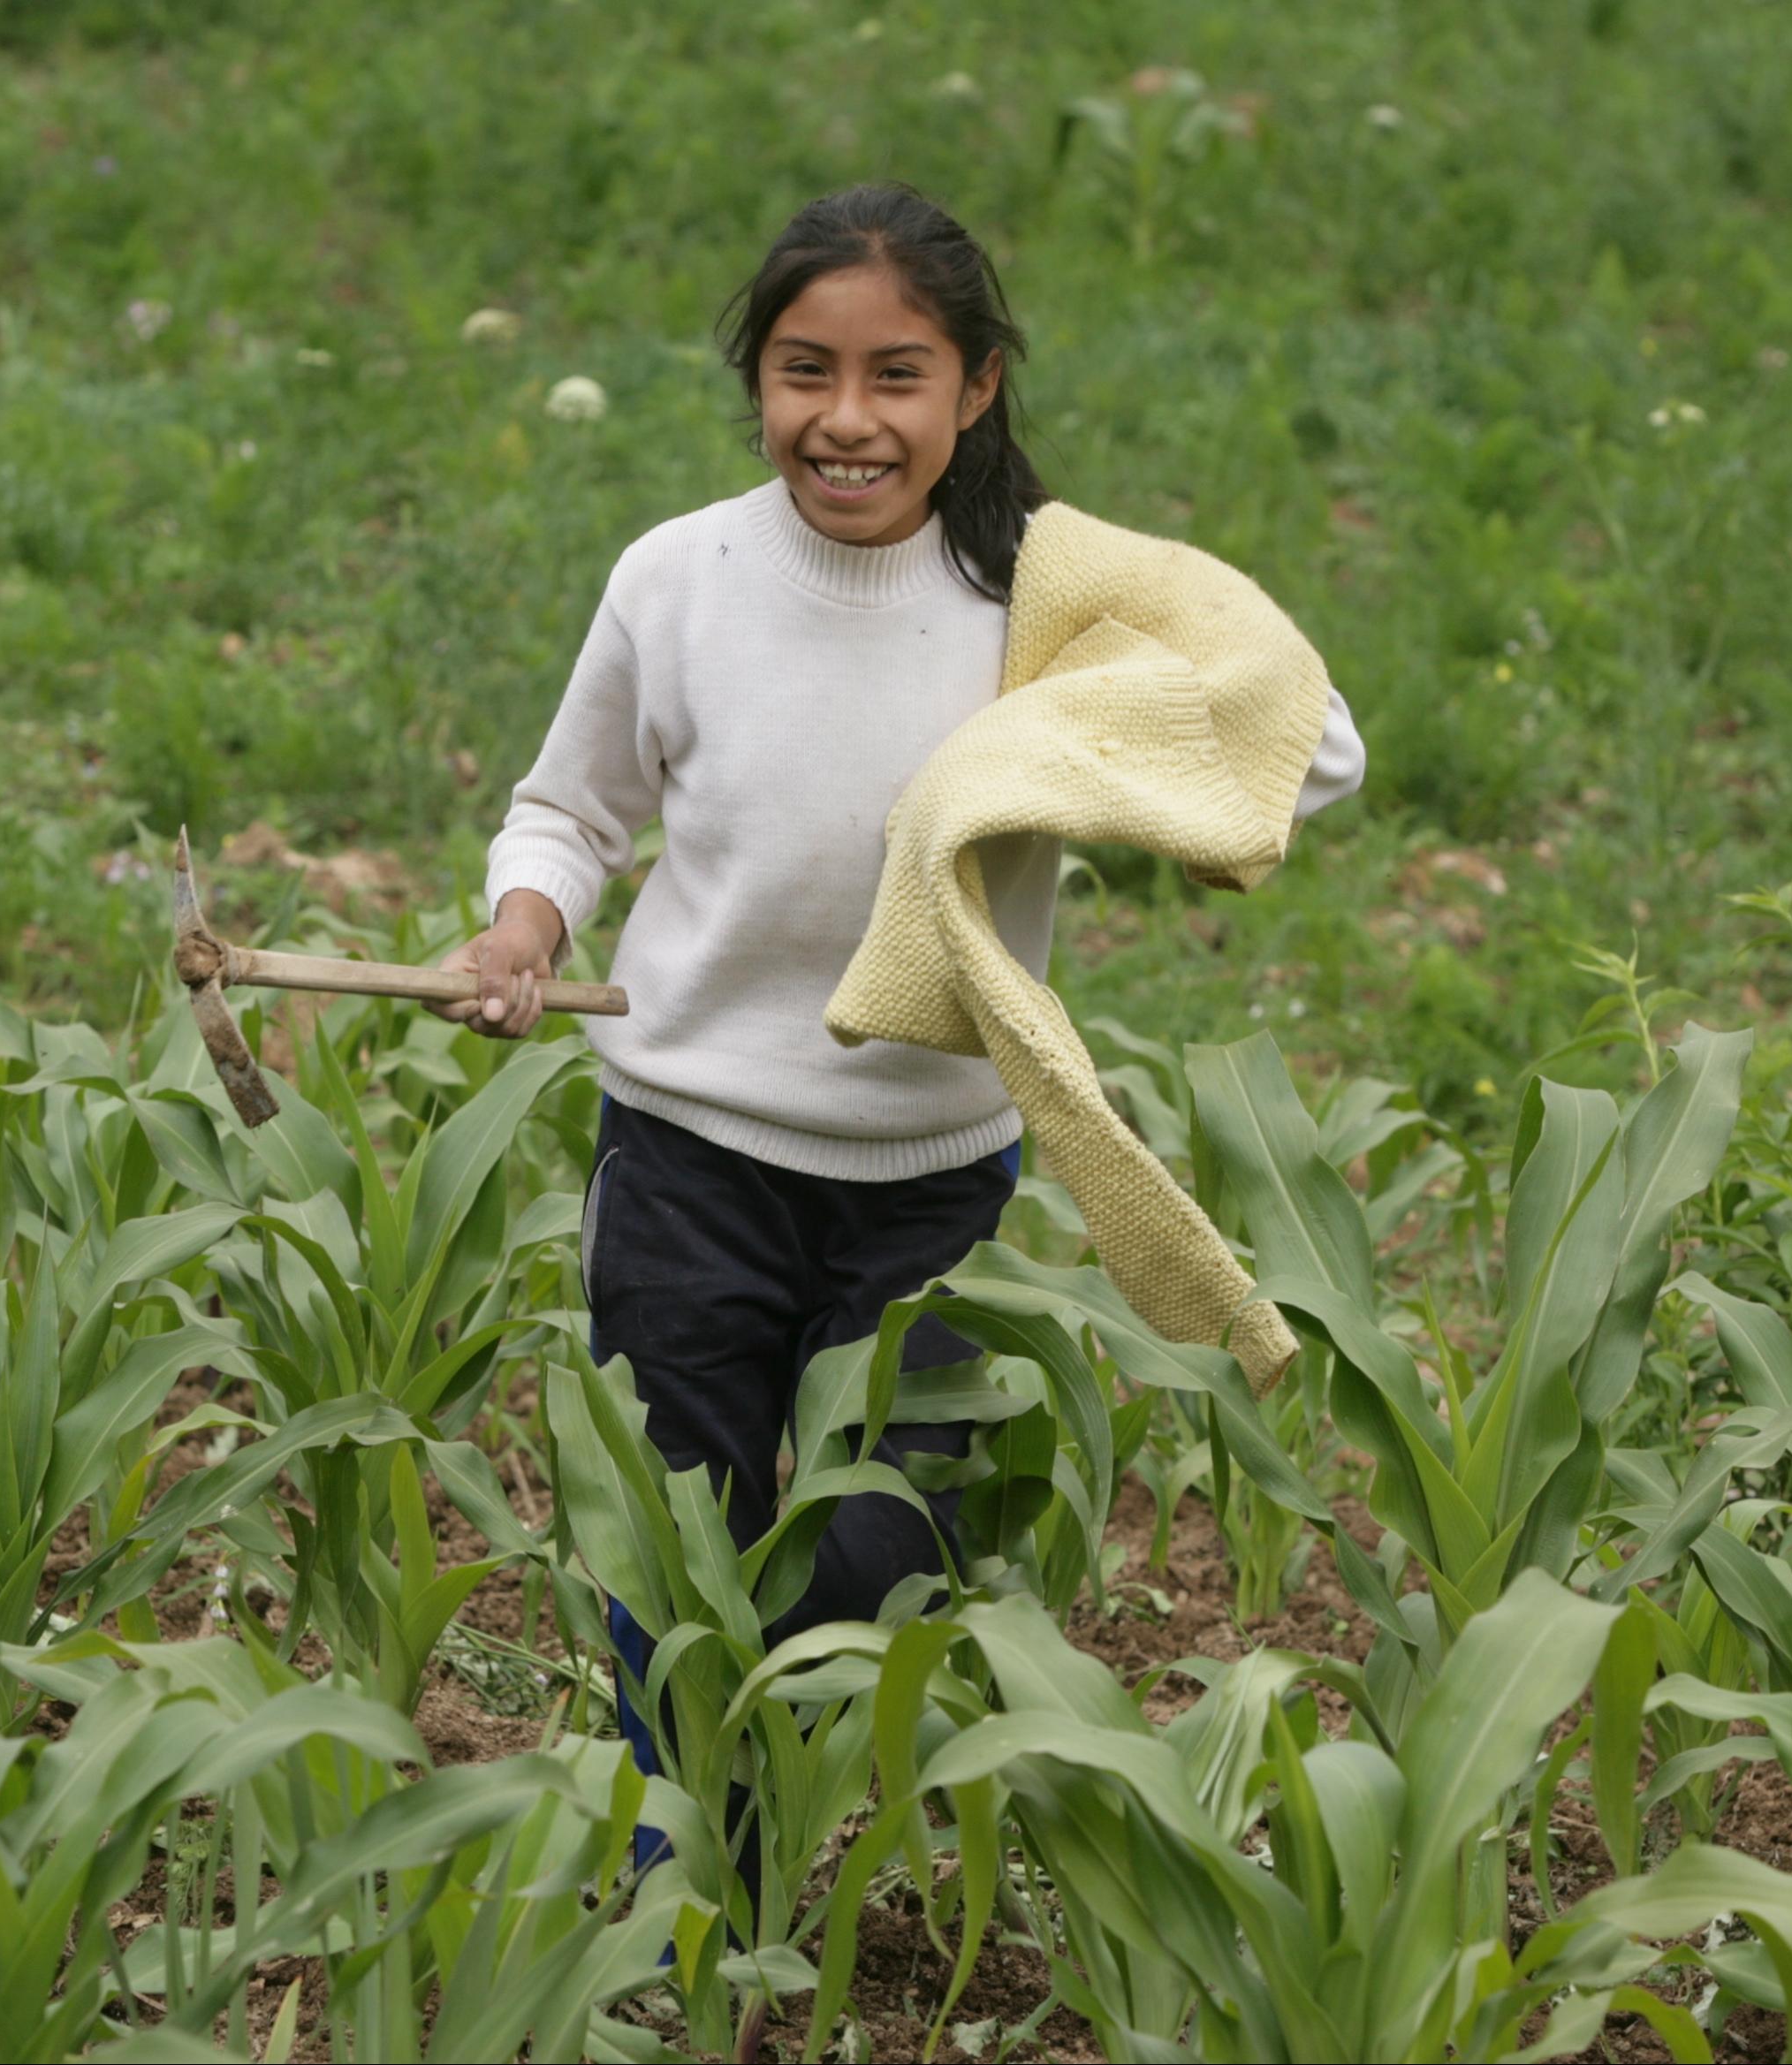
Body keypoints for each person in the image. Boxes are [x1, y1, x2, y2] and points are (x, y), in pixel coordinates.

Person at [434, 181, 1365, 1796]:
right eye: (804, 373)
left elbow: (1314, 751)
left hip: (929, 1179)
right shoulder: (679, 578)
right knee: (676, 1538)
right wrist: (524, 930)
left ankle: (791, 1805)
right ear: (756, 384)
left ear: (976, 388)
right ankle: (687, 1855)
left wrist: (1085, 749)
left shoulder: (1045, 605)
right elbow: (569, 810)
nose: (844, 421)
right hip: (685, 1153)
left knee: (877, 1549)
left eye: (896, 377)